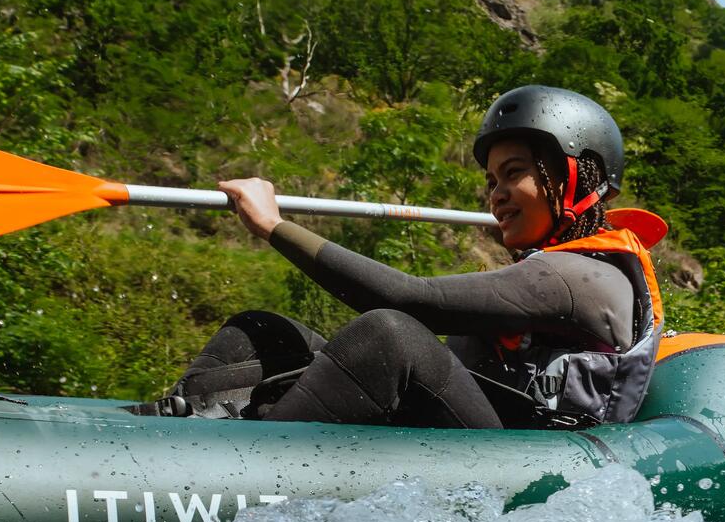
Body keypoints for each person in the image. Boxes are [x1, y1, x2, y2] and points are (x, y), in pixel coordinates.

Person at [144, 86, 665, 429]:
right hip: (475, 429)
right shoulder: (548, 268)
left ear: (579, 178)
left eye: (515, 174)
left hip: (526, 463)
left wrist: (273, 226)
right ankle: (171, 436)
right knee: (261, 330)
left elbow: (410, 299)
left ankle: (237, 474)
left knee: (390, 334)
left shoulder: (584, 276)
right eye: (491, 181)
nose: (497, 194)